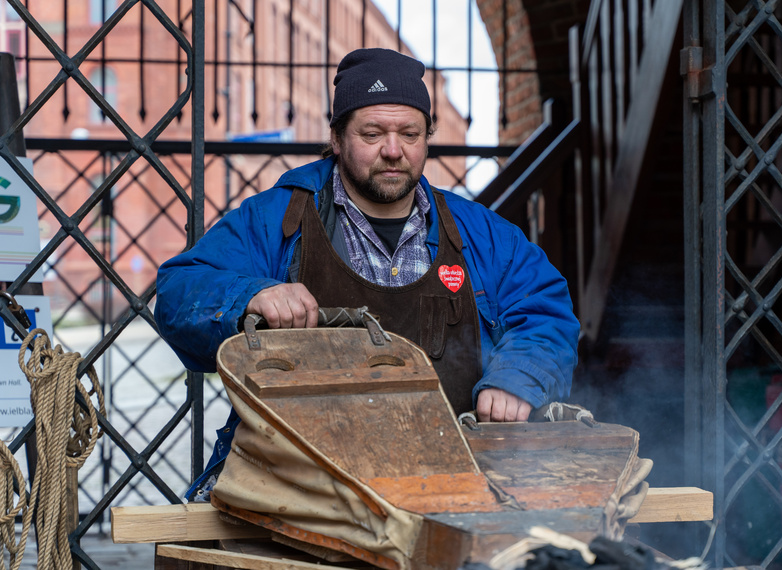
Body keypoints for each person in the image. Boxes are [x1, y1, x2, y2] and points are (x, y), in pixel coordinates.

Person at [155, 48, 580, 501]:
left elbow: (544, 312)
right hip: (299, 486)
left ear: (427, 138)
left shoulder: (484, 234)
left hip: (451, 478)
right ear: (337, 138)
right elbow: (178, 293)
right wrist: (249, 296)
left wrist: (517, 376)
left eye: (410, 134)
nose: (393, 151)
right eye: (372, 133)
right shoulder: (275, 220)